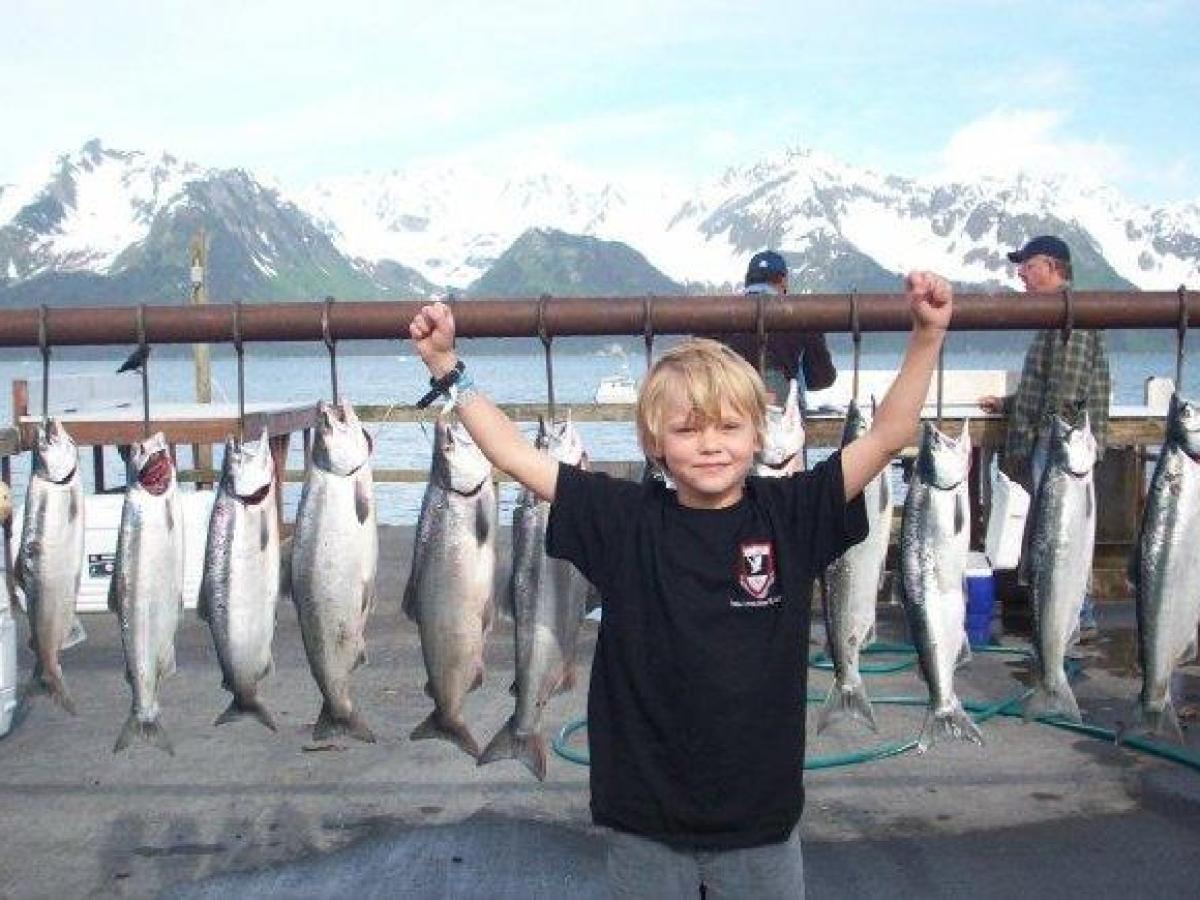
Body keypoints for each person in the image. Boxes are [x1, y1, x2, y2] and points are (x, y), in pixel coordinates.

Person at [408, 271, 952, 900]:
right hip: (643, 818)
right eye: (689, 430)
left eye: (728, 427)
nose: (711, 445)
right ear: (654, 443)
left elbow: (887, 437)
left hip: (761, 823)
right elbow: (512, 454)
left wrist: (926, 336)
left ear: (758, 433)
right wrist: (448, 367)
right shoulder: (621, 519)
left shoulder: (792, 514)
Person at [979, 234, 1110, 640]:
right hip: (1052, 445)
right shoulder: (1054, 316)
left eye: (1028, 264)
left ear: (1053, 267)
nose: (1020, 272)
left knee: (1061, 536)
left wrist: (1048, 446)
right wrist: (1007, 403)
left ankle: (1077, 618)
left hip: (1059, 450)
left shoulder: (1072, 314)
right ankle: (1062, 617)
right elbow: (1044, 385)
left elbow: (1065, 396)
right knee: (1050, 535)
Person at [712, 250, 836, 402]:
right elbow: (822, 378)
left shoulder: (716, 316)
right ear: (783, 280)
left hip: (731, 412)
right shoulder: (802, 316)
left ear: (748, 280)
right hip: (783, 415)